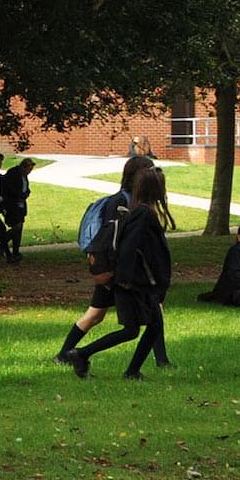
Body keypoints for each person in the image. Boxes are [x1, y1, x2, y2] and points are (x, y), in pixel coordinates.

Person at [63, 168, 174, 380]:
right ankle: (81, 354)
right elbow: (129, 248)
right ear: (156, 189)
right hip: (133, 283)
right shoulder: (143, 214)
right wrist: (124, 280)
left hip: (140, 283)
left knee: (153, 326)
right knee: (132, 330)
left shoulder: (141, 212)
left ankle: (132, 371)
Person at [55, 156, 156, 363]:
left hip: (116, 271)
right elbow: (114, 240)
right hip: (115, 272)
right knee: (132, 326)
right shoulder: (121, 202)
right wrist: (118, 273)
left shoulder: (132, 201)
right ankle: (72, 355)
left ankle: (64, 355)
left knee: (95, 315)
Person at [0, 158, 35, 262]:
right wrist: (20, 195)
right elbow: (10, 189)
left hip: (20, 205)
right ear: (23, 167)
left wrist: (26, 193)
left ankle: (16, 251)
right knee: (17, 227)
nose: (29, 172)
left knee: (19, 229)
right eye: (29, 169)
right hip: (12, 204)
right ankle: (3, 243)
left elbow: (25, 188)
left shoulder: (24, 176)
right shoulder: (13, 173)